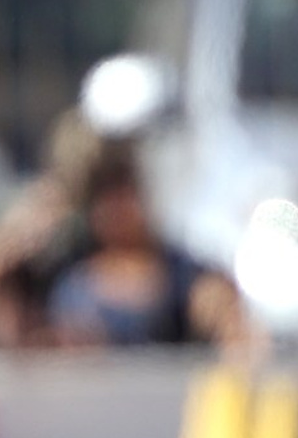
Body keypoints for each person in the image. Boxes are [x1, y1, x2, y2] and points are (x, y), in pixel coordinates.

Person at [44, 143, 238, 348]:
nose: (117, 209)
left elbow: (218, 306)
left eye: (125, 194)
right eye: (106, 198)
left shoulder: (181, 273)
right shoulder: (71, 285)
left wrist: (220, 312)